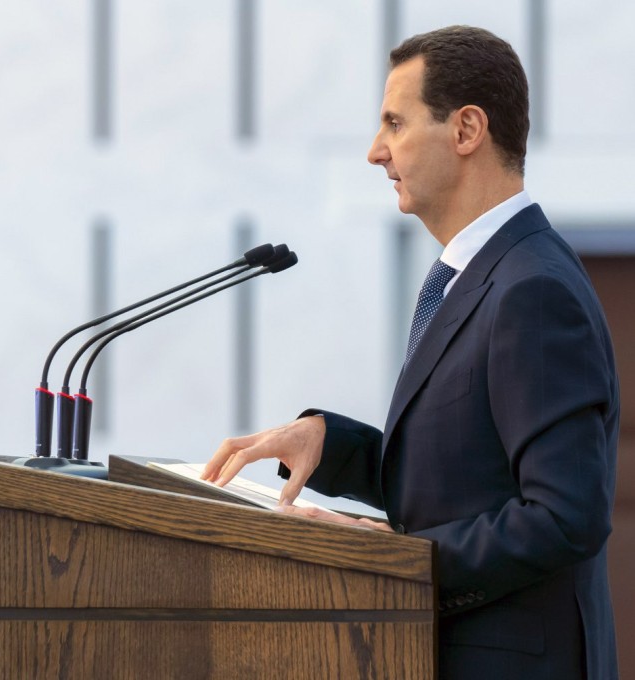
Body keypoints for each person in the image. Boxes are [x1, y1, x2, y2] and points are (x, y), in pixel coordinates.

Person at [202, 25, 619, 679]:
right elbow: (464, 479)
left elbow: (567, 516)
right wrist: (326, 441)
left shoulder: (532, 289)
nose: (375, 152)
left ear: (465, 130)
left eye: (394, 123)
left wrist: (404, 559)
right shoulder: (481, 277)